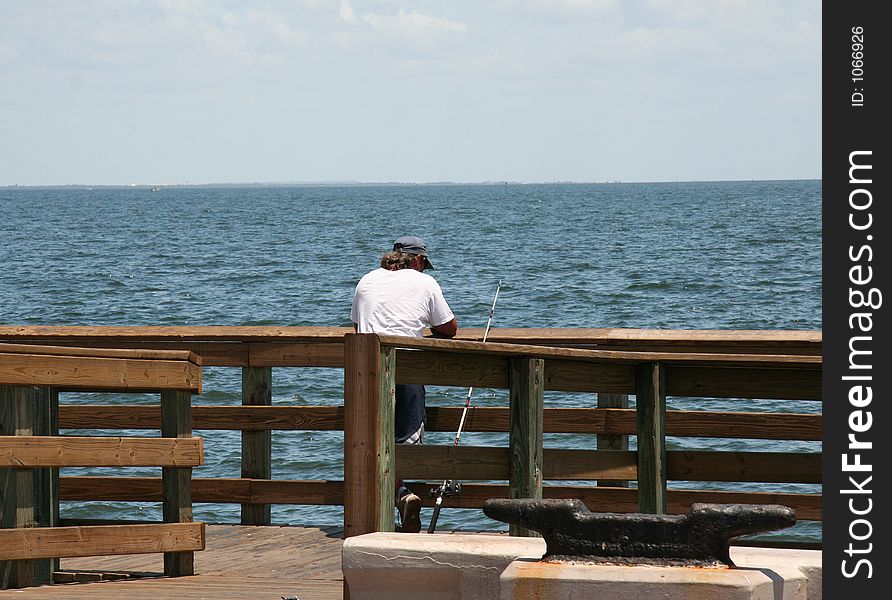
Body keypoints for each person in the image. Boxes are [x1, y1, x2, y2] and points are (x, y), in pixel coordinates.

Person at [350, 235, 458, 532]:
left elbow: (358, 327)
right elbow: (449, 328)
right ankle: (404, 496)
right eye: (425, 264)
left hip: (367, 372)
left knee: (372, 442)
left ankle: (387, 509)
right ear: (418, 260)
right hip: (407, 371)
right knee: (408, 444)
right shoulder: (424, 283)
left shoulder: (366, 280)